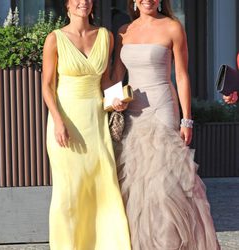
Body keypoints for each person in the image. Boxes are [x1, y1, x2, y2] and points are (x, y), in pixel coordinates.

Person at [111, 0, 221, 249]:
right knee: (136, 182)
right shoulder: (124, 31)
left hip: (162, 108)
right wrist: (114, 100)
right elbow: (118, 75)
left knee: (163, 184)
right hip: (132, 112)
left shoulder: (172, 27)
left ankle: (168, 242)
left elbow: (181, 75)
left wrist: (187, 119)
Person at [42, 0, 131, 249]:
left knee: (102, 184)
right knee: (69, 191)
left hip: (96, 121)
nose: (84, 2)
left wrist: (116, 101)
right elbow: (47, 86)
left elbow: (104, 82)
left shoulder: (105, 36)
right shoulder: (55, 39)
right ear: (67, 5)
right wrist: (58, 121)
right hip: (66, 121)